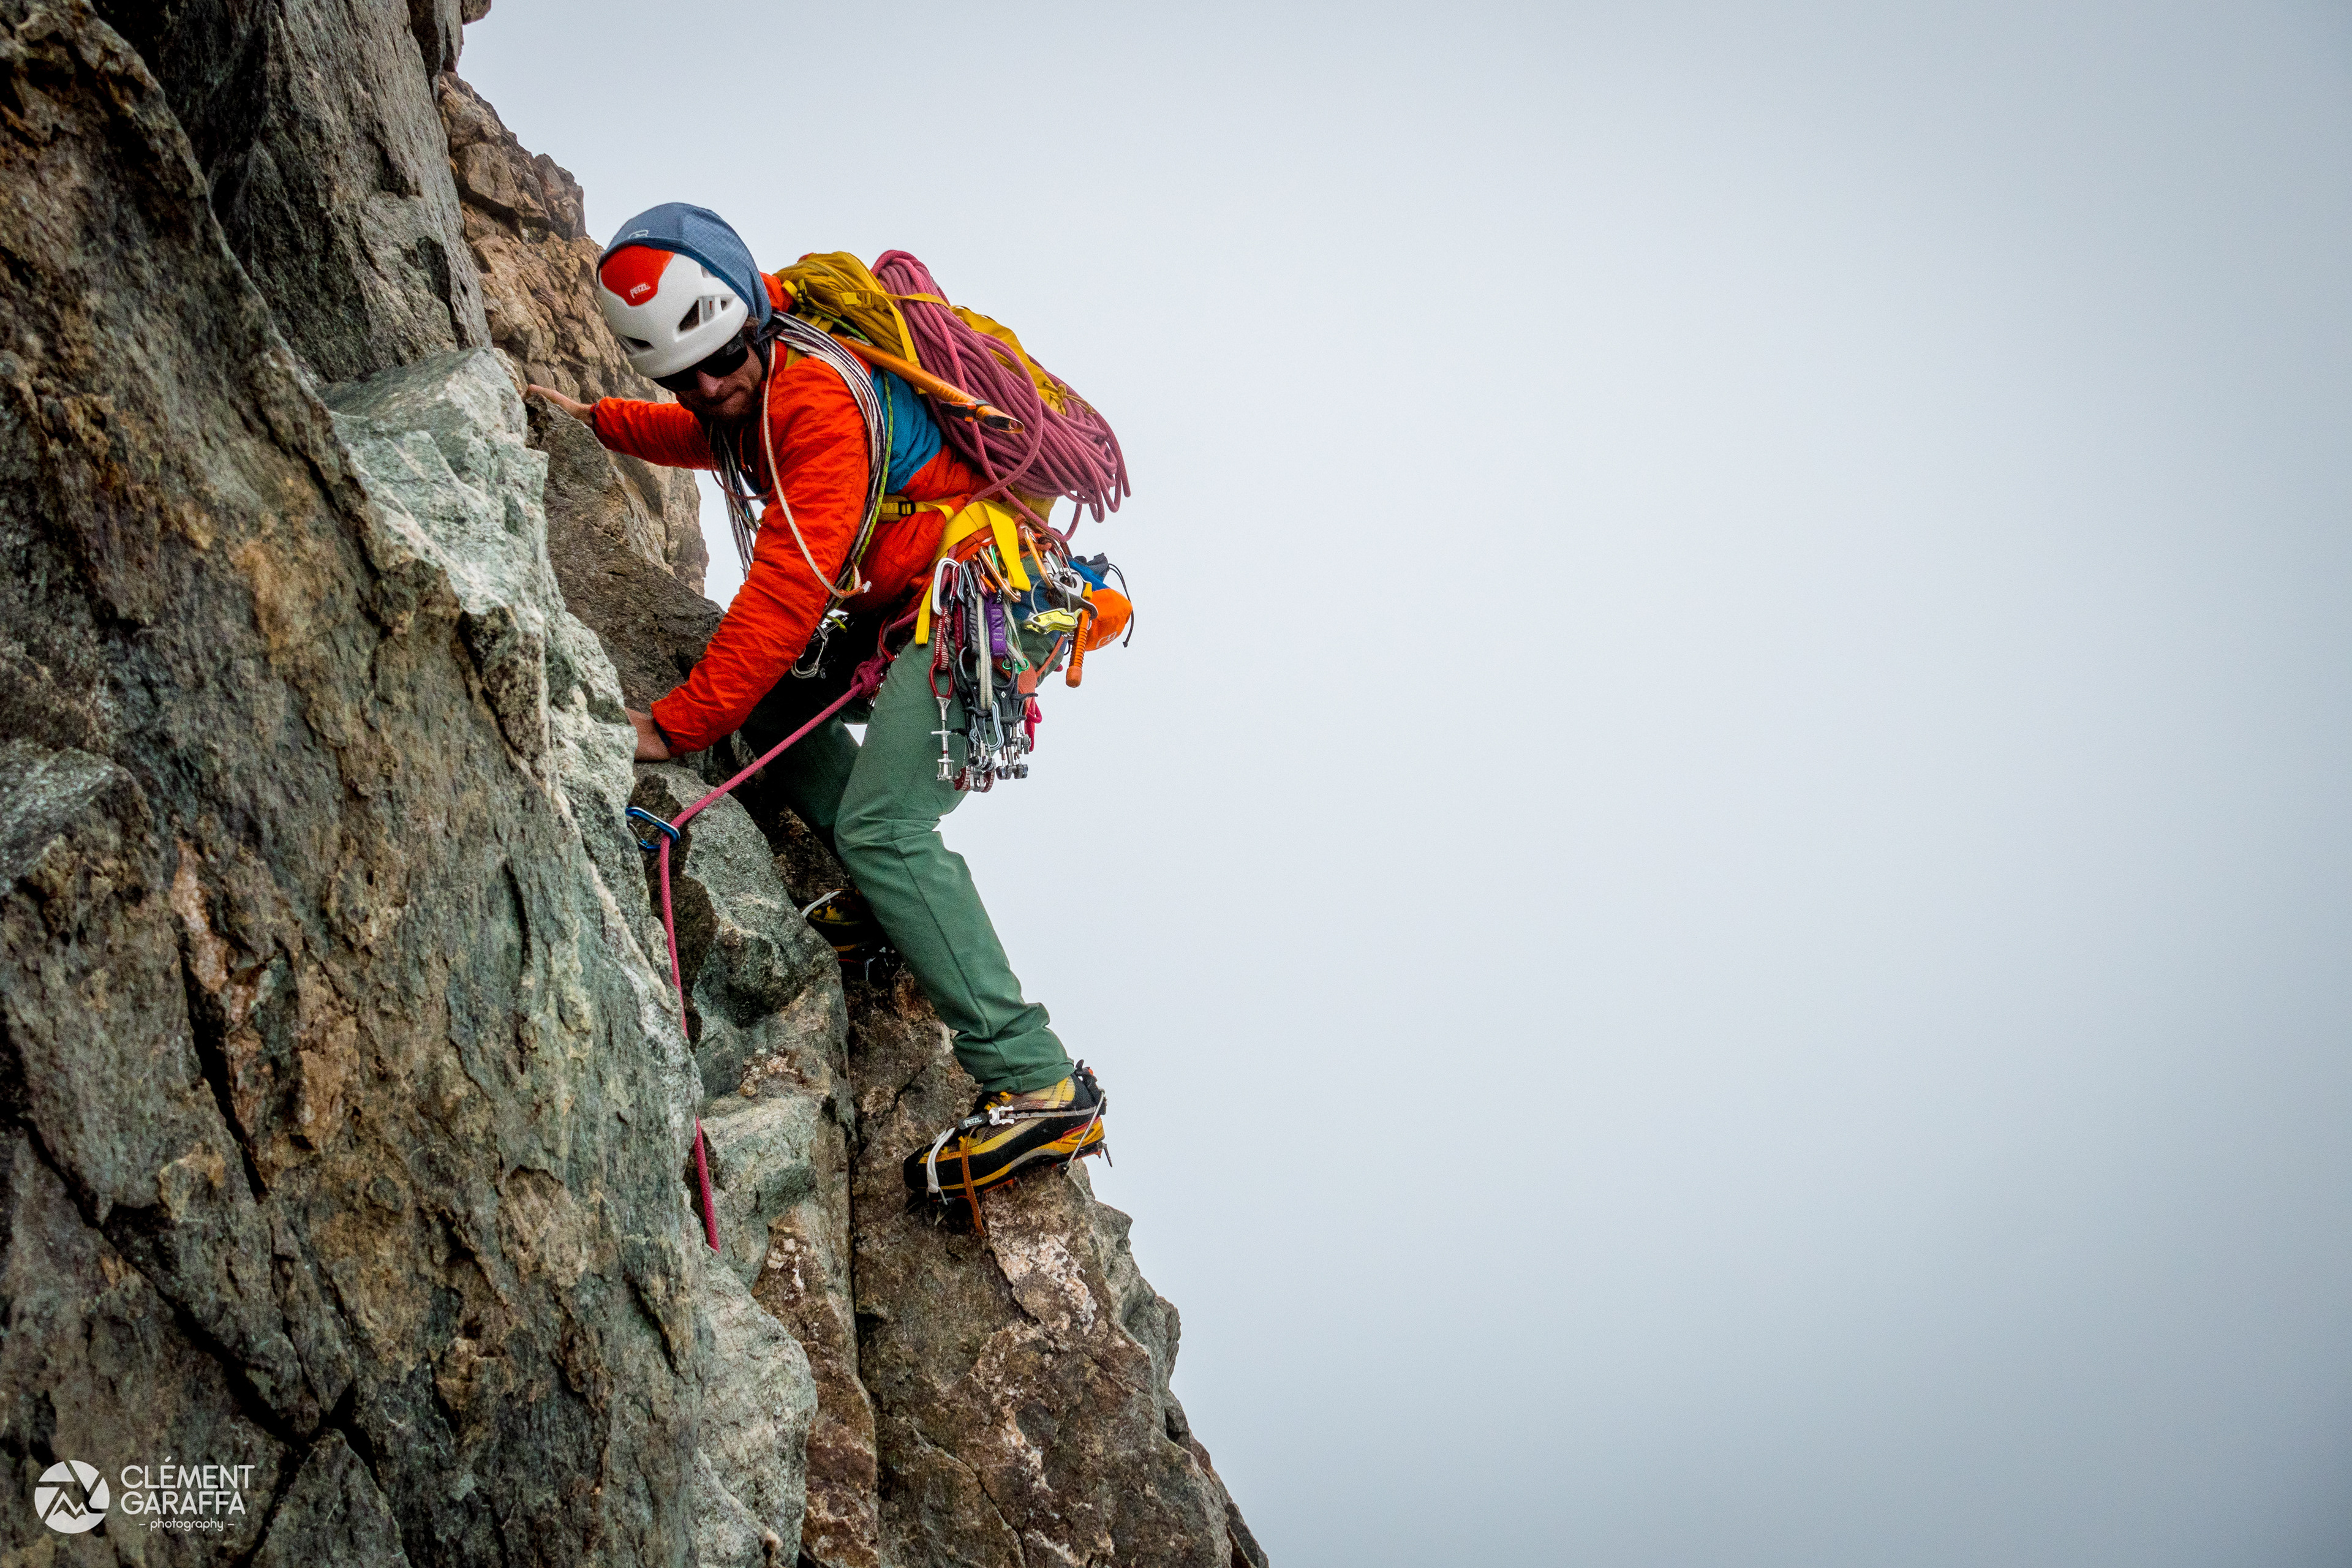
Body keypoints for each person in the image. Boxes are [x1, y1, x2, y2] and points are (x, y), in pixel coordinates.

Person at [528, 204, 1104, 1204]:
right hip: (915, 600)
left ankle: (1037, 1081)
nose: (710, 386)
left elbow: (789, 590)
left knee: (887, 826)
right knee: (771, 710)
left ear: (753, 320)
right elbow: (720, 437)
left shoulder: (819, 400)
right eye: (684, 376)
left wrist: (672, 727)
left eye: (722, 360)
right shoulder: (759, 376)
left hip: (982, 601)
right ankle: (886, 913)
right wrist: (601, 420)